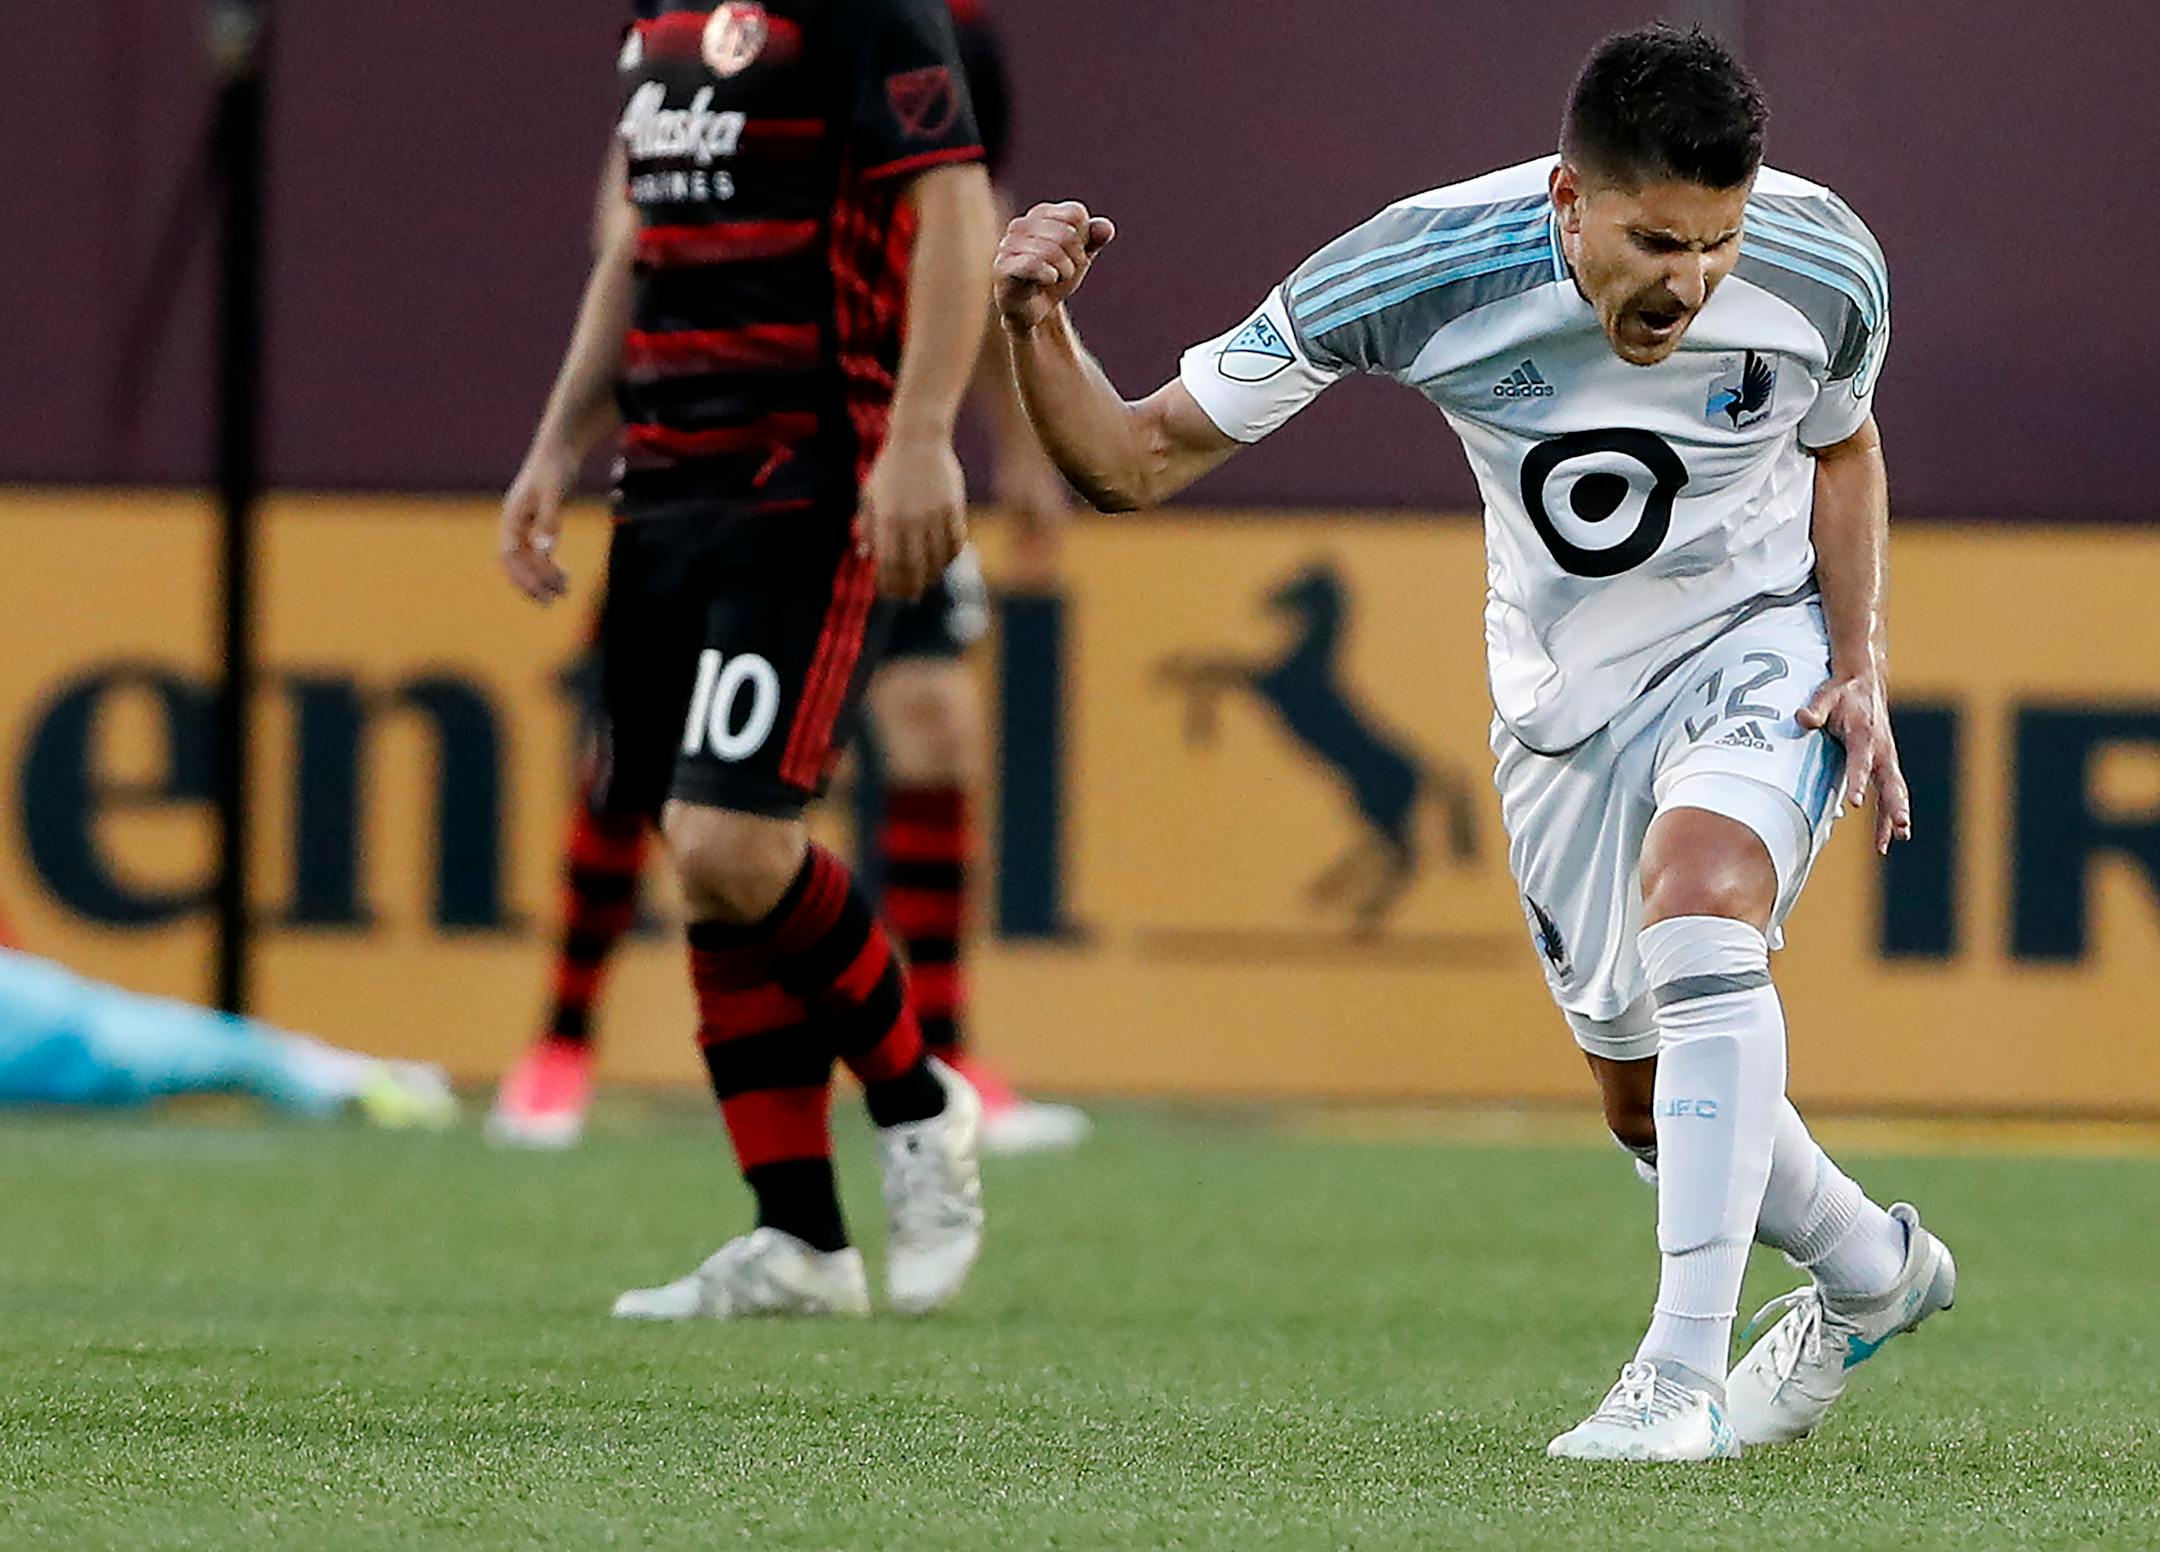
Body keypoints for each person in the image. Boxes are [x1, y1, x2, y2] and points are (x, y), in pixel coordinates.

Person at [992, 24, 1954, 1461]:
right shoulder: (1416, 269)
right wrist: (1033, 327)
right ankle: (1874, 1270)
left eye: (1716, 243)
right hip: (1564, 706)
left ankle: (1677, 1377)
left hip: (1761, 639)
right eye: (1653, 242)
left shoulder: (1826, 261)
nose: (1688, 284)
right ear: (1570, 199)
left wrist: (1860, 661)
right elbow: (1131, 461)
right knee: (1648, 1107)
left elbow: (1845, 444)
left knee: (1704, 908)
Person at [489, 0, 1087, 1159]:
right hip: (698, 456)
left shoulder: (939, 28)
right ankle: (563, 1042)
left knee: (928, 726)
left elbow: (971, 222)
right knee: (650, 772)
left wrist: (998, 442)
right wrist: (564, 440)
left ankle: (938, 1060)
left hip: (859, 448)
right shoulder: (677, 19)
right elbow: (639, 221)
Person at [0, 942, 456, 1127]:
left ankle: (359, 1082)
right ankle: (355, 1082)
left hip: (64, 1024)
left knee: (243, 1054)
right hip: (66, 1033)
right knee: (241, 1054)